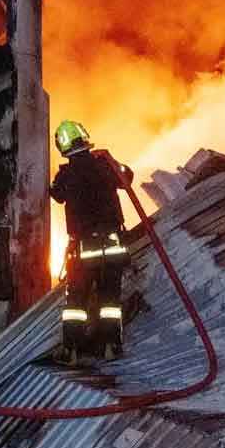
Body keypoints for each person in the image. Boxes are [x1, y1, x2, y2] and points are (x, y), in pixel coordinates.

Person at [49, 120, 133, 364]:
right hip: (113, 245)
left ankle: (71, 351)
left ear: (62, 146)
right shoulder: (104, 165)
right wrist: (114, 161)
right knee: (110, 301)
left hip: (84, 250)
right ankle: (111, 347)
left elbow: (56, 195)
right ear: (84, 137)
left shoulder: (65, 175)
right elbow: (126, 177)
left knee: (76, 302)